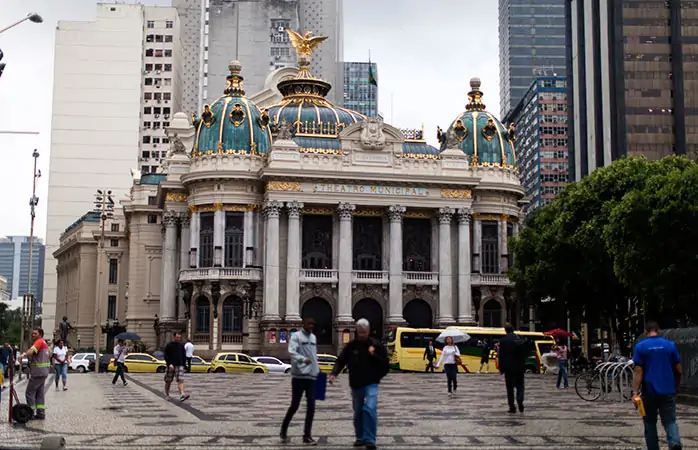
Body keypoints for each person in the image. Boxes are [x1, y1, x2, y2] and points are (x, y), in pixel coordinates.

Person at [330, 318, 389, 450]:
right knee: (358, 412)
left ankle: (370, 439)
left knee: (369, 408)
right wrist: (334, 374)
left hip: (371, 384)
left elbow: (385, 364)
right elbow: (341, 360)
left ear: (368, 331)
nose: (362, 334)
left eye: (364, 331)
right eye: (360, 331)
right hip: (356, 384)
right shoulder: (351, 346)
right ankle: (360, 437)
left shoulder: (376, 345)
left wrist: (374, 358)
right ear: (357, 331)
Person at [632, 321, 683, 450]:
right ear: (658, 331)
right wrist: (676, 386)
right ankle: (675, 442)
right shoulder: (670, 346)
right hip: (668, 390)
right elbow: (679, 370)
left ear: (645, 332)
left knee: (649, 423)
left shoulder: (640, 347)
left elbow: (639, 371)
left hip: (649, 391)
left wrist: (635, 393)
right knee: (670, 421)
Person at [280, 317, 319, 446]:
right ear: (304, 324)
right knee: (294, 406)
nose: (311, 326)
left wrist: (317, 372)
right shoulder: (296, 336)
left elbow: (314, 356)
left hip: (311, 378)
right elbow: (292, 352)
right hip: (298, 377)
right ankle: (283, 430)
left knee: (311, 407)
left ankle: (307, 435)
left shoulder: (313, 338)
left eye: (313, 323)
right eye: (309, 323)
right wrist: (303, 359)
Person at [19, 328, 50, 420]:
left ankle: (30, 413)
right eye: (32, 333)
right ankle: (41, 413)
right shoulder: (45, 344)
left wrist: (23, 354)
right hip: (44, 372)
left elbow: (31, 351)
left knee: (29, 392)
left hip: (38, 372)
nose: (33, 335)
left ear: (40, 334)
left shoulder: (39, 342)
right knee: (40, 393)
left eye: (35, 334)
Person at [498, 323, 526, 413]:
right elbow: (524, 354)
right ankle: (520, 400)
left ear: (505, 330)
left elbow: (501, 356)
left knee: (510, 388)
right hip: (519, 367)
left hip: (508, 368)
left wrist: (501, 368)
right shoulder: (519, 339)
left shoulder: (503, 341)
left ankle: (512, 407)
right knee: (520, 386)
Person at [164, 331, 190, 402]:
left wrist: (185, 366)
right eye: (177, 337)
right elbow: (166, 356)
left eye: (179, 337)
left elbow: (184, 356)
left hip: (179, 365)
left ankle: (182, 394)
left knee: (180, 380)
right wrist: (169, 364)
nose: (178, 338)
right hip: (171, 366)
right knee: (168, 381)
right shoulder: (169, 345)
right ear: (174, 337)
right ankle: (167, 394)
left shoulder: (182, 346)